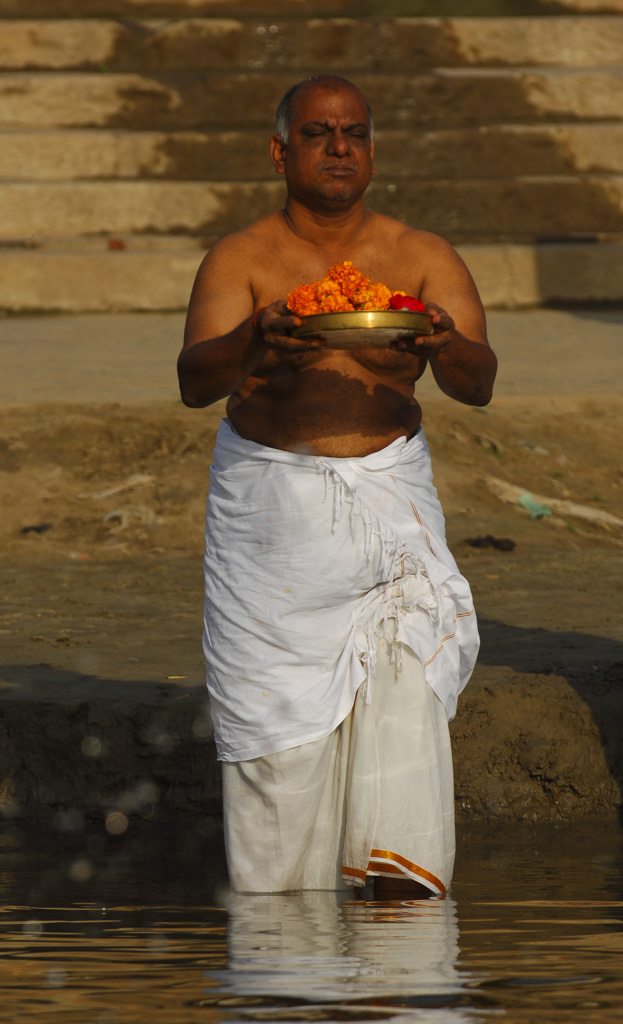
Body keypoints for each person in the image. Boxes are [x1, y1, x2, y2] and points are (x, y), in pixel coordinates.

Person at [178, 74, 497, 899]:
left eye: (353, 132)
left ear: (372, 151)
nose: (338, 148)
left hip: (390, 509)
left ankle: (396, 953)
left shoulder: (420, 256)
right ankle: (285, 953)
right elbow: (193, 380)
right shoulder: (242, 259)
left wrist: (442, 341)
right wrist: (254, 340)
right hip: (274, 521)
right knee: (278, 751)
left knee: (403, 699)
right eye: (318, 134)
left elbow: (477, 382)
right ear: (281, 152)